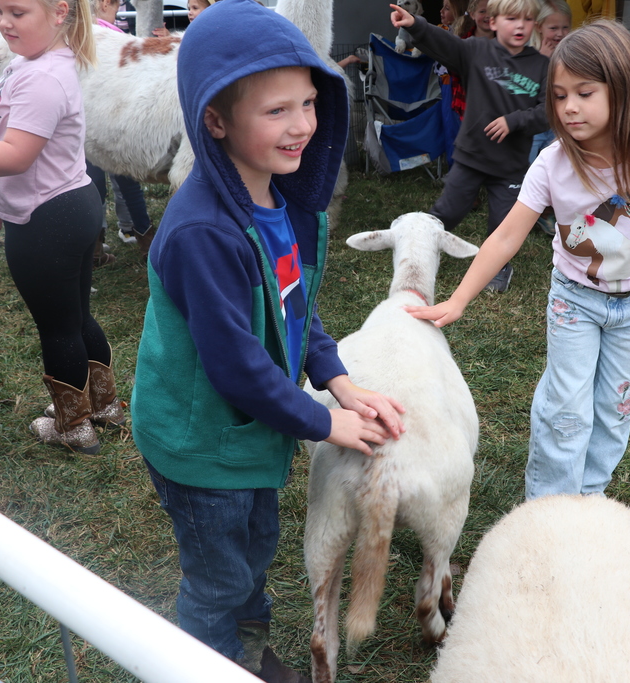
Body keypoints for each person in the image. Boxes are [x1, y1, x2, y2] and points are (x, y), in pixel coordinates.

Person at [130, 0, 405, 680]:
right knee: (217, 578)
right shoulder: (203, 234)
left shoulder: (272, 202)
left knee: (253, 546)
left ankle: (244, 652)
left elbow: (293, 307)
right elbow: (238, 368)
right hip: (201, 446)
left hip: (249, 436)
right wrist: (325, 421)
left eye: (309, 103)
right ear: (215, 121)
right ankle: (200, 663)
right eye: (276, 111)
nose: (303, 126)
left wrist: (339, 380)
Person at [407, 20, 630, 500]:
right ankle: (549, 507)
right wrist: (460, 298)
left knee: (615, 408)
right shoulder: (552, 162)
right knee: (567, 408)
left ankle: (587, 499)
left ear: (622, 89)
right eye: (560, 94)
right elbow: (507, 235)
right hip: (575, 300)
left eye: (585, 93)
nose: (569, 107)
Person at [0, 0, 123, 454]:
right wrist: (2, 200)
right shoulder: (41, 63)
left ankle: (73, 427)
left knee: (58, 328)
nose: (4, 23)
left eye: (17, 12)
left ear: (58, 12)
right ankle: (103, 405)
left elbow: (15, 155)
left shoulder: (41, 76)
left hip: (47, 218)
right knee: (75, 317)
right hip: (68, 204)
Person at [391, 0, 549, 293]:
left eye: (527, 20)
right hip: (471, 156)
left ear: (535, 25)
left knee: (503, 227)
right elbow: (445, 43)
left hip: (510, 167)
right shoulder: (477, 51)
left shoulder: (541, 66)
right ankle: (416, 250)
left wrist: (514, 121)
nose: (519, 26)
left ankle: (497, 268)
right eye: (511, 18)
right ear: (493, 21)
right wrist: (415, 24)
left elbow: (547, 110)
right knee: (447, 212)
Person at [88, 0, 156, 260]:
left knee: (93, 185)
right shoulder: (114, 38)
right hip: (115, 124)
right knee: (128, 184)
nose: (118, 12)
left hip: (93, 124)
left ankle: (95, 245)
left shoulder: (80, 40)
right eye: (116, 7)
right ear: (106, 4)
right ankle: (143, 237)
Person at [528, 0, 571, 235]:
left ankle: (547, 214)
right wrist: (542, 61)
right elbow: (524, 93)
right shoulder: (530, 54)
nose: (560, 34)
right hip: (534, 126)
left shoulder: (570, 54)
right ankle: (526, 214)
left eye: (565, 27)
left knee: (556, 169)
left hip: (557, 124)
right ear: (539, 28)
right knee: (529, 168)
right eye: (553, 28)